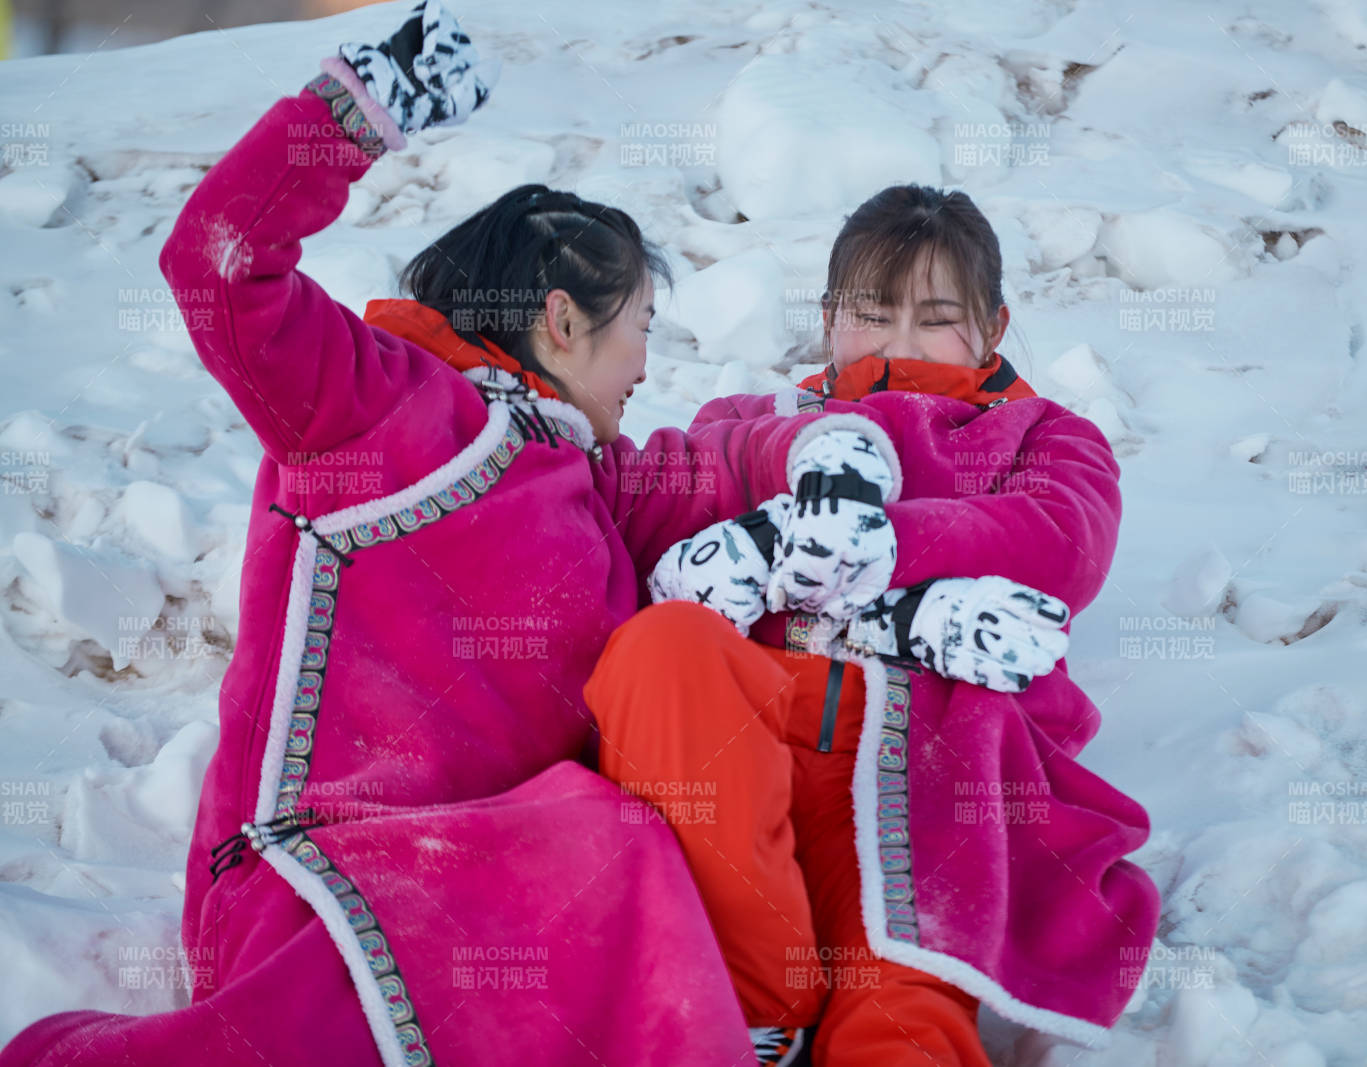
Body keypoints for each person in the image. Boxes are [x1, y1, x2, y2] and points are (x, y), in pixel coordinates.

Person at [0, 5, 918, 1064]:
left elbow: (713, 463)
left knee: (612, 826)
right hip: (329, 897)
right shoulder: (370, 404)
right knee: (606, 837)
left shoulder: (586, 479)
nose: (648, 368)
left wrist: (836, 446)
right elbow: (215, 269)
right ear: (565, 320)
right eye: (642, 332)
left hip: (504, 884)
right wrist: (348, 118)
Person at [587, 185, 1161, 1065]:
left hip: (929, 777)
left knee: (899, 1016)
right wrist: (776, 522)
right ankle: (743, 1003)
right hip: (745, 762)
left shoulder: (1040, 437)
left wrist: (862, 543)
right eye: (871, 314)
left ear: (993, 326)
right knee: (661, 647)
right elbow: (647, 513)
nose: (898, 343)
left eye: (935, 318)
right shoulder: (750, 424)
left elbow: (1060, 545)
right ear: (828, 319)